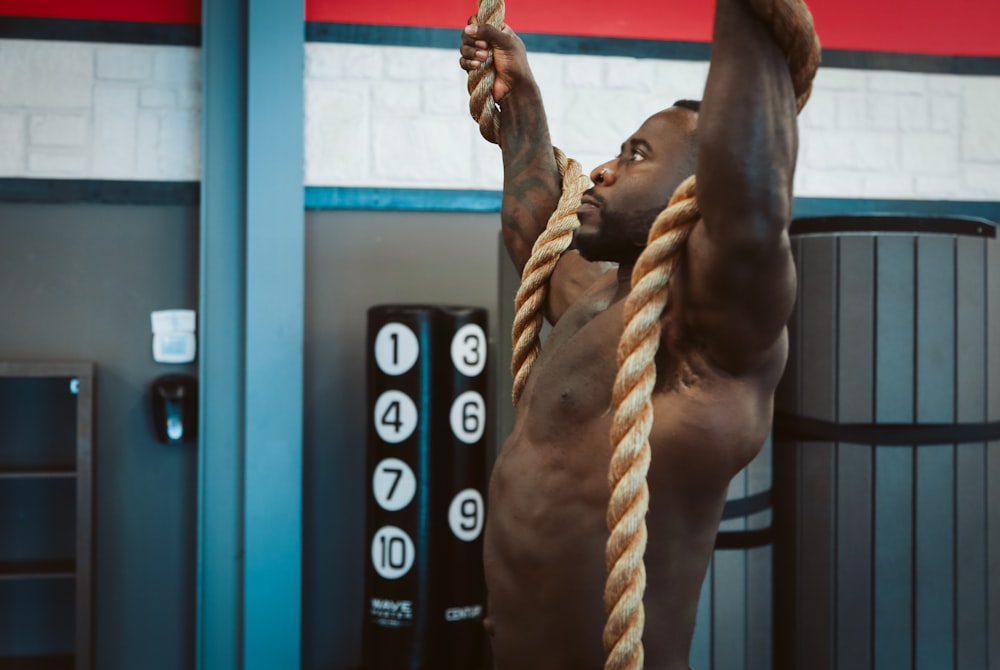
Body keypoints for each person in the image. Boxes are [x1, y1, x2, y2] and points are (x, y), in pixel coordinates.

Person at [459, 0, 801, 667]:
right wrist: (520, 99)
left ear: (697, 192)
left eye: (636, 156)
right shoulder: (596, 301)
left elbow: (751, 202)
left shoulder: (710, 340)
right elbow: (533, 241)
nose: (605, 170)